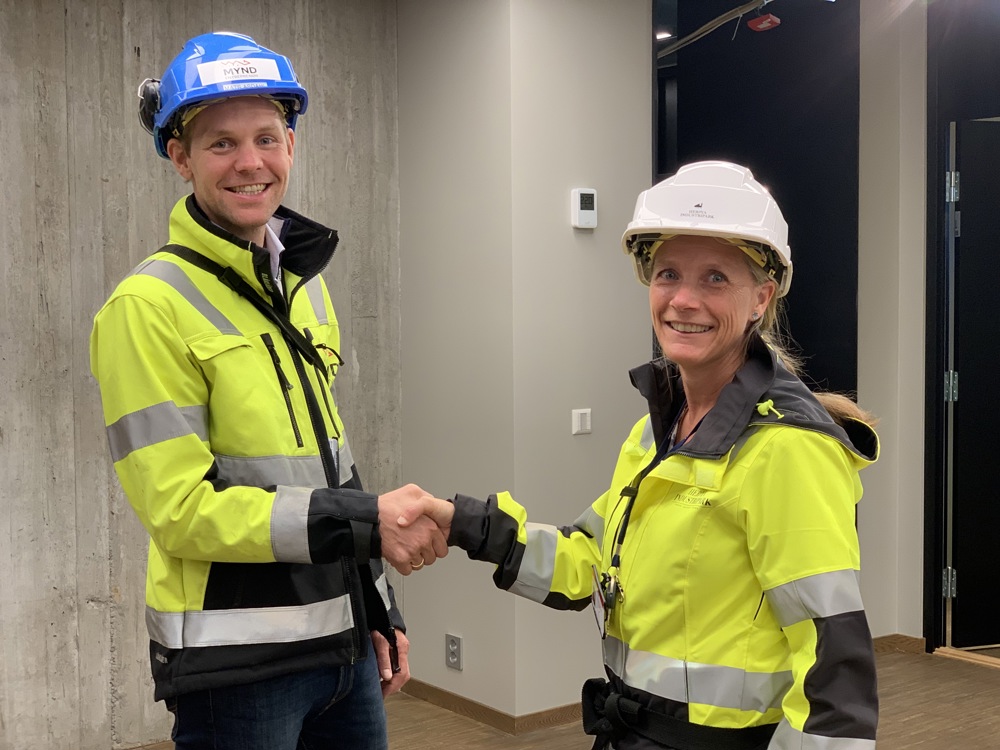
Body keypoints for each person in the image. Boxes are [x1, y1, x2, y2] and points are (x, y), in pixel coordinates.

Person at [407, 161, 880, 749]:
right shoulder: (656, 432)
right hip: (631, 731)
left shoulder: (789, 450)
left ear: (761, 297)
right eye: (667, 274)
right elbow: (586, 564)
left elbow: (834, 681)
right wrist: (467, 526)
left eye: (714, 279)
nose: (683, 299)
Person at [89, 31, 446, 750]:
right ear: (179, 156)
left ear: (292, 144)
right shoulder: (146, 307)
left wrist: (377, 607)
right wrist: (368, 519)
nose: (251, 162)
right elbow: (181, 511)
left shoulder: (303, 287)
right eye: (221, 144)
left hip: (340, 644)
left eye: (267, 137)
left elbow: (333, 467)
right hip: (239, 669)